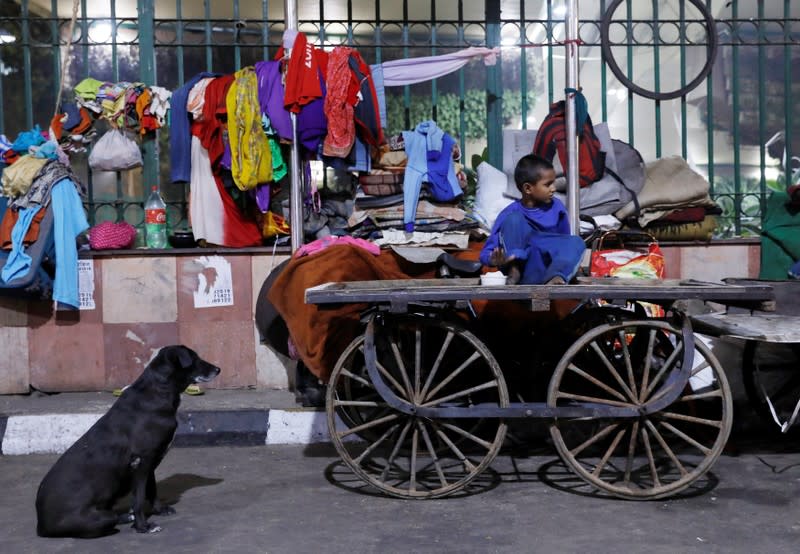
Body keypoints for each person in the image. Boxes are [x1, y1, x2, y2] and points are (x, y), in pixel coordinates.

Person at [480, 154, 585, 284]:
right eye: (548, 184)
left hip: (546, 272)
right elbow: (486, 252)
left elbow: (564, 242)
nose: (554, 188)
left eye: (553, 183)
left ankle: (556, 278)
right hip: (523, 271)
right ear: (528, 188)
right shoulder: (509, 212)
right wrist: (493, 260)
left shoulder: (557, 208)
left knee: (576, 242)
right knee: (514, 220)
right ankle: (515, 270)